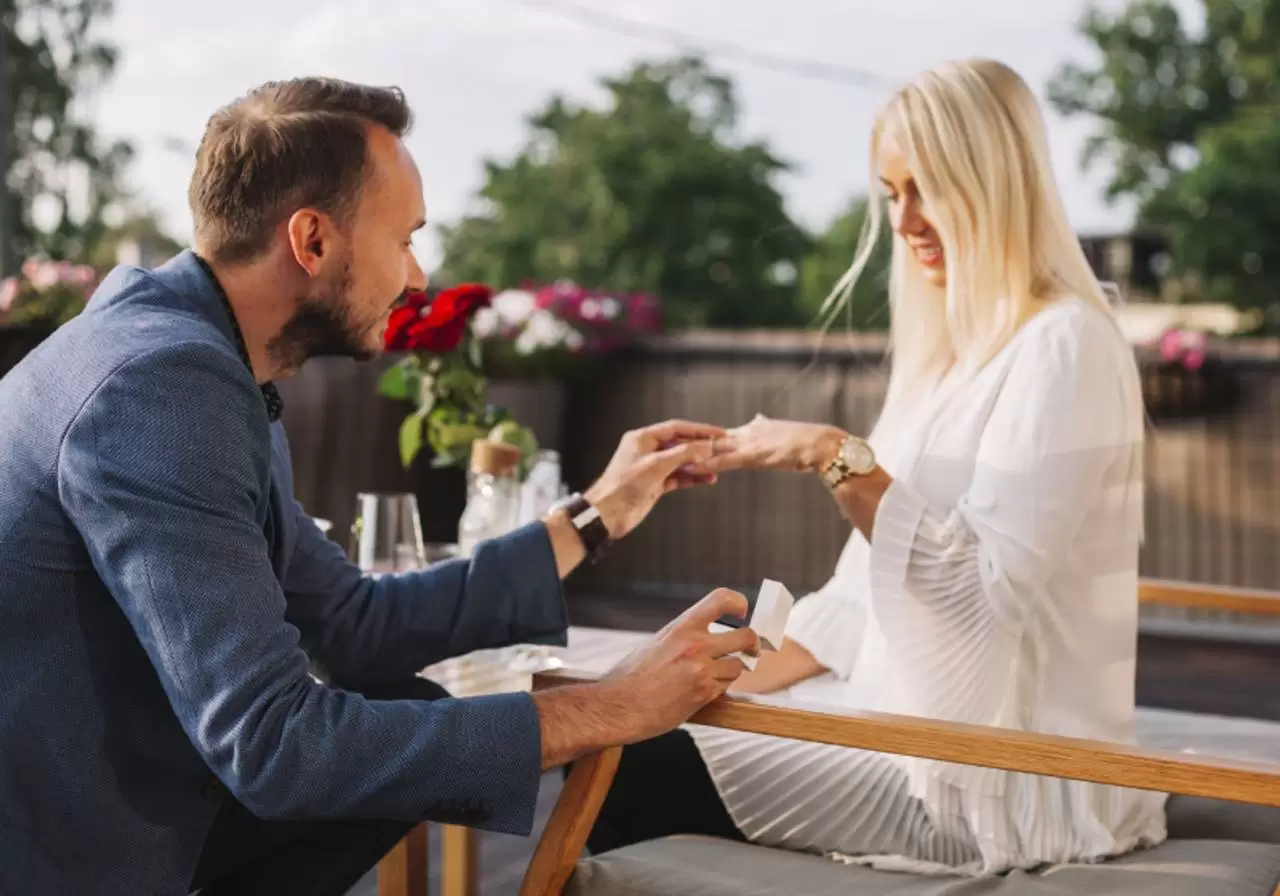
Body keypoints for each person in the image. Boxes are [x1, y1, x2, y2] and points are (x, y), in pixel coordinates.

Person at [0, 78, 759, 896]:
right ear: (313, 240)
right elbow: (273, 744)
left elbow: (354, 626)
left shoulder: (192, 351)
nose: (419, 275)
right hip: (72, 860)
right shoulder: (164, 387)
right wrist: (609, 709)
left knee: (403, 698)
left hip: (135, 806)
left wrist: (596, 516)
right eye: (403, 239)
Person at [585, 58, 1168, 875]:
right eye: (892, 194)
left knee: (632, 767)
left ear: (998, 182)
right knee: (627, 726)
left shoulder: (1065, 345)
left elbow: (981, 610)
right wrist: (689, 688)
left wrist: (833, 455)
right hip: (897, 726)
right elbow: (861, 603)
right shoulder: (948, 360)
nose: (906, 221)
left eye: (929, 188)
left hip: (1005, 782)